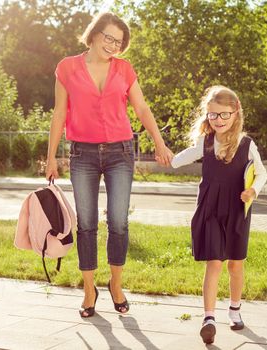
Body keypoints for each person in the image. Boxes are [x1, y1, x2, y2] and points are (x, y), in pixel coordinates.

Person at [45, 12, 173, 318]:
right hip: (82, 155)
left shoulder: (124, 69)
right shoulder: (67, 68)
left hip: (120, 152)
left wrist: (159, 141)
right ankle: (89, 289)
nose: (113, 45)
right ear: (94, 34)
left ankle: (116, 284)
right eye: (109, 38)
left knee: (118, 221)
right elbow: (59, 113)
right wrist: (51, 156)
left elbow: (141, 107)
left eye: (119, 41)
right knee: (86, 223)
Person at [171, 85, 267, 344]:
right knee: (214, 262)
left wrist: (253, 191)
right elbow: (179, 159)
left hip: (237, 209)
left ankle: (234, 308)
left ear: (236, 113)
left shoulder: (246, 145)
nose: (219, 120)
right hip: (210, 209)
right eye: (213, 115)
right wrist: (165, 155)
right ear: (207, 116)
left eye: (224, 114)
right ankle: (209, 318)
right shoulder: (205, 142)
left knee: (235, 264)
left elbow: (262, 173)